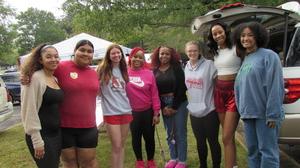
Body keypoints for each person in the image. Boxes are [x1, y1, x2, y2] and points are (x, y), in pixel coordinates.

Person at [21, 40, 100, 168]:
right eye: (82, 50)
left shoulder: (94, 73)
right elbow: (37, 68)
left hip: (87, 126)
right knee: (69, 163)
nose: (86, 53)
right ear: (74, 52)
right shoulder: (60, 67)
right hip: (64, 127)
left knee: (89, 162)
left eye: (89, 51)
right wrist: (25, 74)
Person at [233, 22, 284, 168]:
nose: (245, 38)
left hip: (265, 115)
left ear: (258, 37)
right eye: (242, 35)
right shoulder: (246, 58)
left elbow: (275, 86)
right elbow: (241, 87)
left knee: (268, 152)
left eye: (250, 35)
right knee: (253, 152)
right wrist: (241, 108)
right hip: (249, 114)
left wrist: (273, 114)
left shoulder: (269, 56)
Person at [21, 44, 63, 168]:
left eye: (56, 56)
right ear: (40, 60)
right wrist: (36, 140)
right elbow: (29, 110)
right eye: (48, 57)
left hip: (56, 134)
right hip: (41, 135)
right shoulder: (35, 78)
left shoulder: (55, 78)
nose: (53, 59)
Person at [207, 21, 241, 168]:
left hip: (234, 92)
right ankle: (233, 165)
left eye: (219, 32)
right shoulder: (214, 52)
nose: (218, 35)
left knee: (226, 136)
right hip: (219, 93)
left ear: (226, 31)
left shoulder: (237, 47)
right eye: (214, 34)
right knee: (229, 137)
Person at [184, 41, 221, 168]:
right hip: (194, 112)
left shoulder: (209, 64)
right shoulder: (186, 66)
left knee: (213, 141)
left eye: (194, 50)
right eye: (189, 51)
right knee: (200, 142)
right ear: (186, 52)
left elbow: (218, 87)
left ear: (199, 51)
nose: (192, 53)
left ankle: (216, 165)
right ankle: (203, 165)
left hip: (209, 110)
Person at [151, 46, 188, 168]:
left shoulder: (177, 68)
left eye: (167, 54)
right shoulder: (154, 71)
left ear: (171, 55)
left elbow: (182, 88)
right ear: (158, 55)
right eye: (162, 54)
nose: (164, 56)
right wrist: (163, 107)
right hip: (164, 104)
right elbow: (154, 91)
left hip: (179, 103)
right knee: (169, 133)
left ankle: (182, 160)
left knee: (180, 132)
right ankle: (174, 158)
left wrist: (174, 107)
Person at [97, 44, 132, 168]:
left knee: (121, 145)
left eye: (119, 53)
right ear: (108, 55)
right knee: (116, 145)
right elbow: (96, 91)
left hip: (126, 111)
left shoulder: (125, 69)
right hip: (111, 113)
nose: (116, 55)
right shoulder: (102, 70)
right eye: (113, 53)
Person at [126, 47, 161, 168]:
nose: (137, 59)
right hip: (132, 113)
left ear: (143, 60)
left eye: (141, 57)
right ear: (130, 57)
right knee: (136, 138)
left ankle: (150, 160)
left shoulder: (149, 74)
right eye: (135, 56)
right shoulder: (124, 73)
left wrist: (156, 113)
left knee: (149, 137)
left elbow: (155, 94)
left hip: (148, 112)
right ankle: (139, 161)